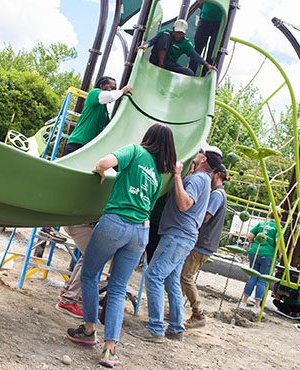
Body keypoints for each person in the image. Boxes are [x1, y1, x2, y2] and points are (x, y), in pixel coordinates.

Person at [66, 124, 177, 368]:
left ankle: (88, 329)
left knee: (90, 275)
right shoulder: (158, 176)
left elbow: (105, 162)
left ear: (149, 138)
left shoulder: (135, 151)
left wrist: (98, 169)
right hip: (140, 233)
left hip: (115, 223)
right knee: (117, 288)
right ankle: (110, 350)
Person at [55, 76, 133, 319]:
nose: (110, 91)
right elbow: (105, 96)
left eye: (112, 87)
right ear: (102, 87)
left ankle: (71, 296)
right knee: (92, 257)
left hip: (92, 152)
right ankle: (70, 298)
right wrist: (121, 91)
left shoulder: (105, 116)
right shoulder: (94, 97)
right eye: (107, 87)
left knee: (91, 256)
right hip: (79, 145)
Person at [131, 145, 222, 343]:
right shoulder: (203, 180)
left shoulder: (198, 179)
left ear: (204, 159)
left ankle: (155, 329)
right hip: (184, 237)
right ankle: (175, 328)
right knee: (172, 280)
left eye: (199, 152)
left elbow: (184, 204)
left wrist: (179, 176)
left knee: (154, 276)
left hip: (178, 235)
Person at [181, 163, 228, 328]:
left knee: (185, 277)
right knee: (183, 276)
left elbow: (205, 217)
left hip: (202, 243)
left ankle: (198, 313)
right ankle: (177, 310)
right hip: (205, 244)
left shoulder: (216, 195)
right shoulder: (219, 194)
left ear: (216, 174)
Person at [64, 76, 133, 155]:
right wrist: (123, 91)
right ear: (102, 86)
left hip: (88, 147)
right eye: (112, 88)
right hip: (78, 143)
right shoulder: (94, 93)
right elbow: (110, 96)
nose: (114, 91)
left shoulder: (104, 111)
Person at [138, 19, 217, 76]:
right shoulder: (166, 32)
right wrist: (146, 45)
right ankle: (160, 63)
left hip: (168, 63)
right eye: (177, 32)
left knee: (190, 73)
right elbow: (153, 40)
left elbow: (195, 55)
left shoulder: (185, 43)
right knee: (165, 36)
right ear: (173, 29)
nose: (178, 35)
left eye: (181, 33)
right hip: (156, 59)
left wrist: (207, 65)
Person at [240, 210, 279, 316]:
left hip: (254, 252)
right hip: (268, 255)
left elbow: (250, 235)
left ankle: (244, 302)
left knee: (252, 277)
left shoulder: (262, 224)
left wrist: (253, 244)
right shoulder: (278, 227)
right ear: (279, 218)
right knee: (262, 280)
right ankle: (256, 306)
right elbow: (278, 242)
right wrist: (280, 255)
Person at [189, 0, 224, 76]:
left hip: (219, 22)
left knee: (212, 51)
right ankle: (190, 73)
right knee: (197, 48)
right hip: (205, 19)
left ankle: (205, 76)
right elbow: (199, 2)